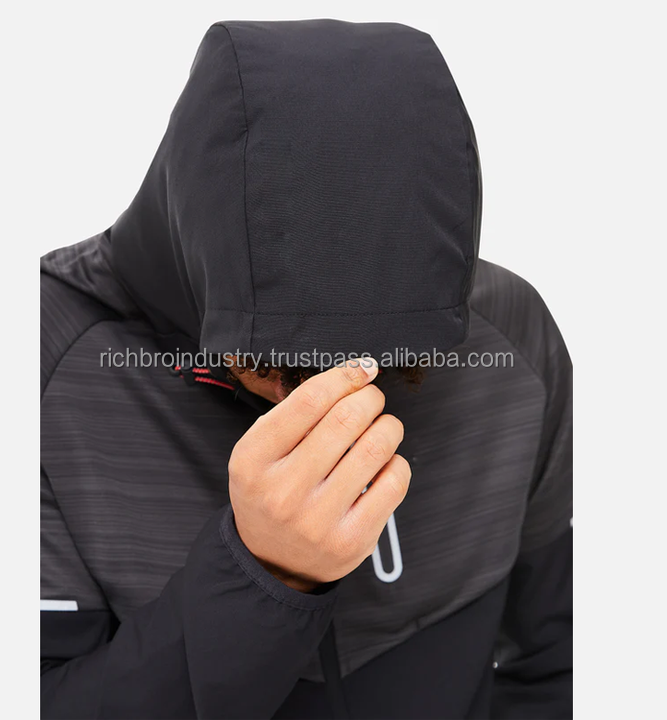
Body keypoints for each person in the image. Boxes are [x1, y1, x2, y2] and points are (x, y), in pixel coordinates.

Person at [40, 19, 572, 720]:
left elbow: (563, 661)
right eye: (278, 363)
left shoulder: (509, 336)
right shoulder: (40, 355)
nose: (331, 391)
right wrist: (263, 577)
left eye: (388, 361)